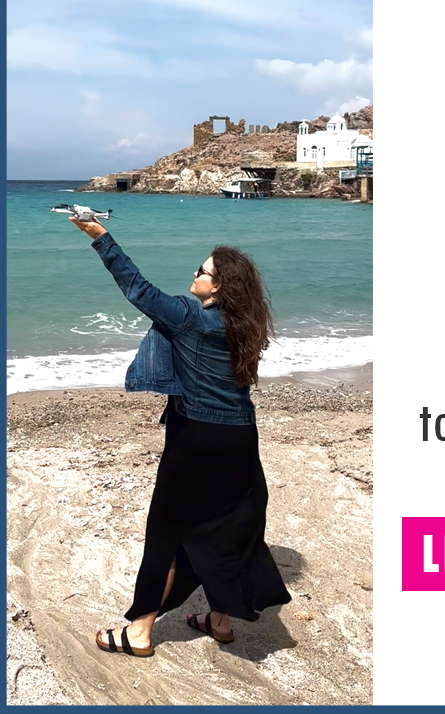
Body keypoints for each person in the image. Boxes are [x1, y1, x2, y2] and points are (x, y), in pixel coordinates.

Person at [69, 216, 291, 658]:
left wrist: (100, 238)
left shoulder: (191, 318)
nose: (195, 275)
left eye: (202, 272)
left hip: (197, 441)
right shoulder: (244, 325)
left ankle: (139, 631)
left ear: (220, 286)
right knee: (231, 529)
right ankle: (221, 621)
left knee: (166, 535)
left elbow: (139, 290)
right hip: (242, 440)